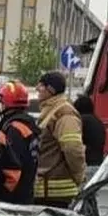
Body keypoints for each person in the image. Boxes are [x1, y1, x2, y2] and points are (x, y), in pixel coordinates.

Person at [34, 71, 86, 208]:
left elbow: (72, 148)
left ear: (51, 90)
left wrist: (79, 177)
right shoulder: (51, 111)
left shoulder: (65, 113)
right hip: (46, 192)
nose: (37, 88)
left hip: (57, 195)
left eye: (41, 85)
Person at [0, 80, 42, 205]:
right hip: (27, 193)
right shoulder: (29, 125)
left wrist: (2, 195)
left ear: (6, 104)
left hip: (14, 198)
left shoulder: (14, 129)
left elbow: (12, 165)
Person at [72, 93, 107, 180]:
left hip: (86, 164)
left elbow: (73, 143)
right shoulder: (97, 120)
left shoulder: (81, 120)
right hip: (98, 164)